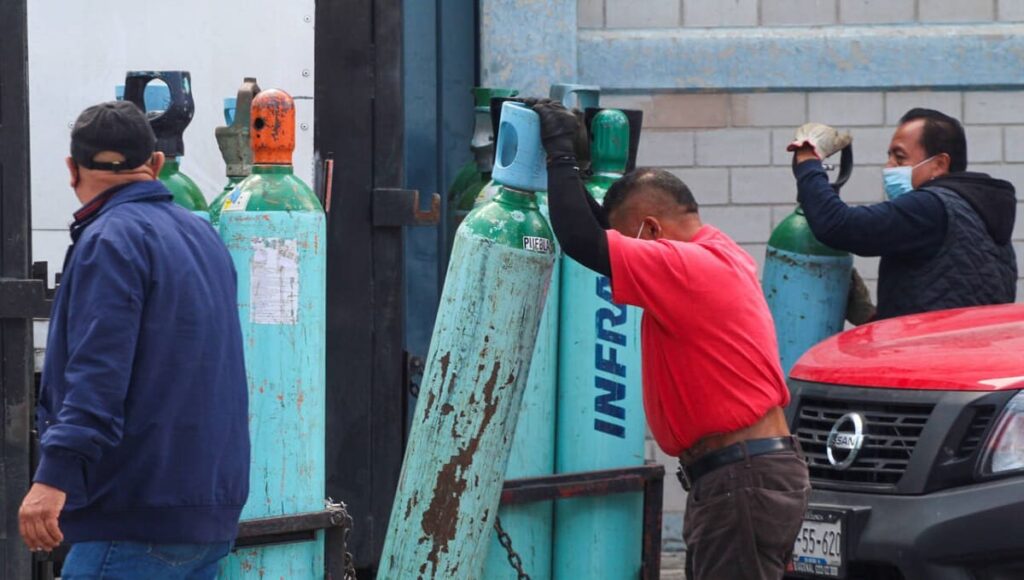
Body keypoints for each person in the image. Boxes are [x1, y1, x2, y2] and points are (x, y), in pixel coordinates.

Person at [527, 98, 810, 580]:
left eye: (629, 238)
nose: (624, 252)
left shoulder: (685, 267)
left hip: (741, 480)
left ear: (652, 230)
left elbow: (579, 238)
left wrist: (559, 154)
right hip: (744, 475)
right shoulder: (715, 253)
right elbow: (599, 228)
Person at [18, 101, 250, 579]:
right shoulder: (204, 239)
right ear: (157, 164)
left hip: (134, 519)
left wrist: (53, 476)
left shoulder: (111, 241)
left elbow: (98, 374)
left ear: (70, 170)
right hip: (206, 517)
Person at [788, 109, 1017, 323]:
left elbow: (838, 225)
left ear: (939, 164)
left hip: (930, 362)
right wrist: (868, 316)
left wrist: (808, 159)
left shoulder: (932, 207)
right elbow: (944, 310)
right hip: (967, 362)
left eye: (900, 157)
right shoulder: (984, 222)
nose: (889, 167)